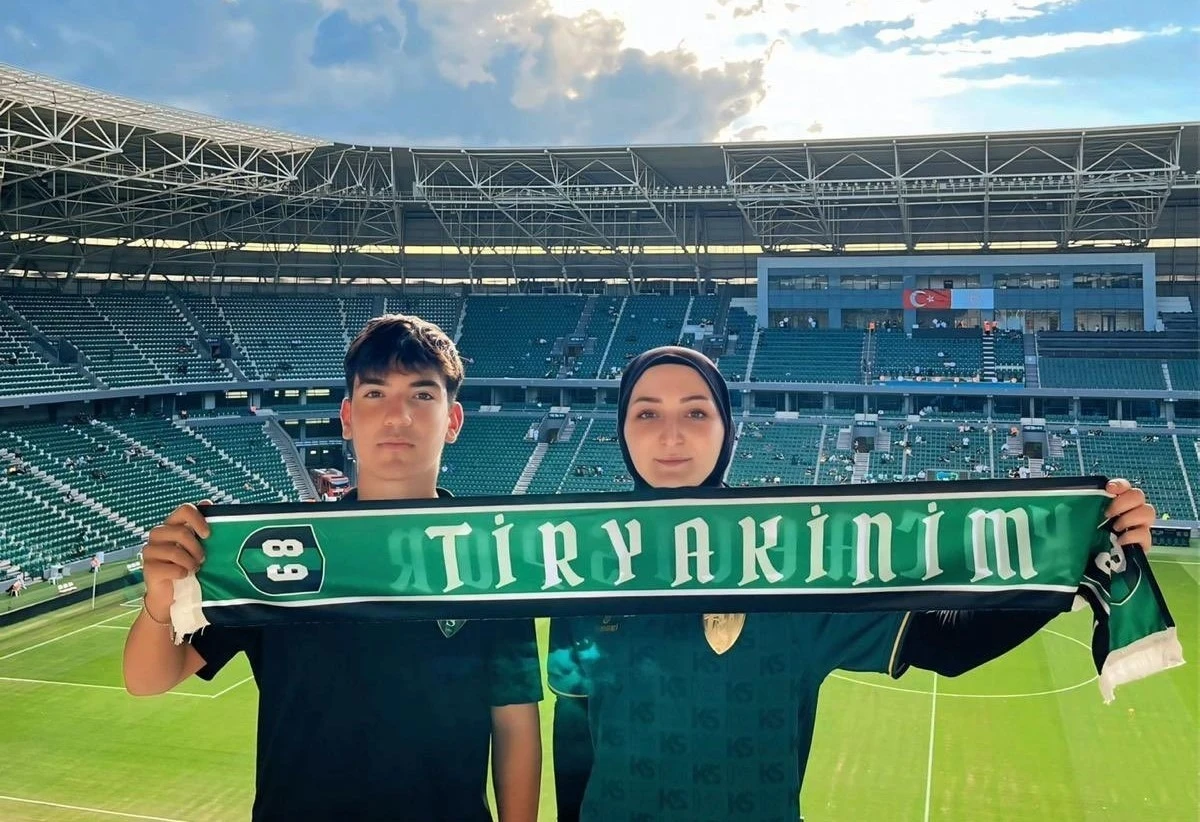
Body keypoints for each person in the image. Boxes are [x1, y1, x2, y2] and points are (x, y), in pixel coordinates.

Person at [549, 346, 1156, 822]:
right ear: (622, 429)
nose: (671, 434)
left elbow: (947, 644)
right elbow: (574, 731)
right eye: (646, 412)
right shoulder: (580, 564)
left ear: (725, 429)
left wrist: (1071, 554)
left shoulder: (792, 558)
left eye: (695, 412)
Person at [124, 315, 543, 822]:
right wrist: (160, 598)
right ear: (347, 416)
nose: (397, 416)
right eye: (375, 394)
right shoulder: (276, 550)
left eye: (421, 395)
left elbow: (515, 723)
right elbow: (148, 679)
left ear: (452, 420)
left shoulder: (491, 557)